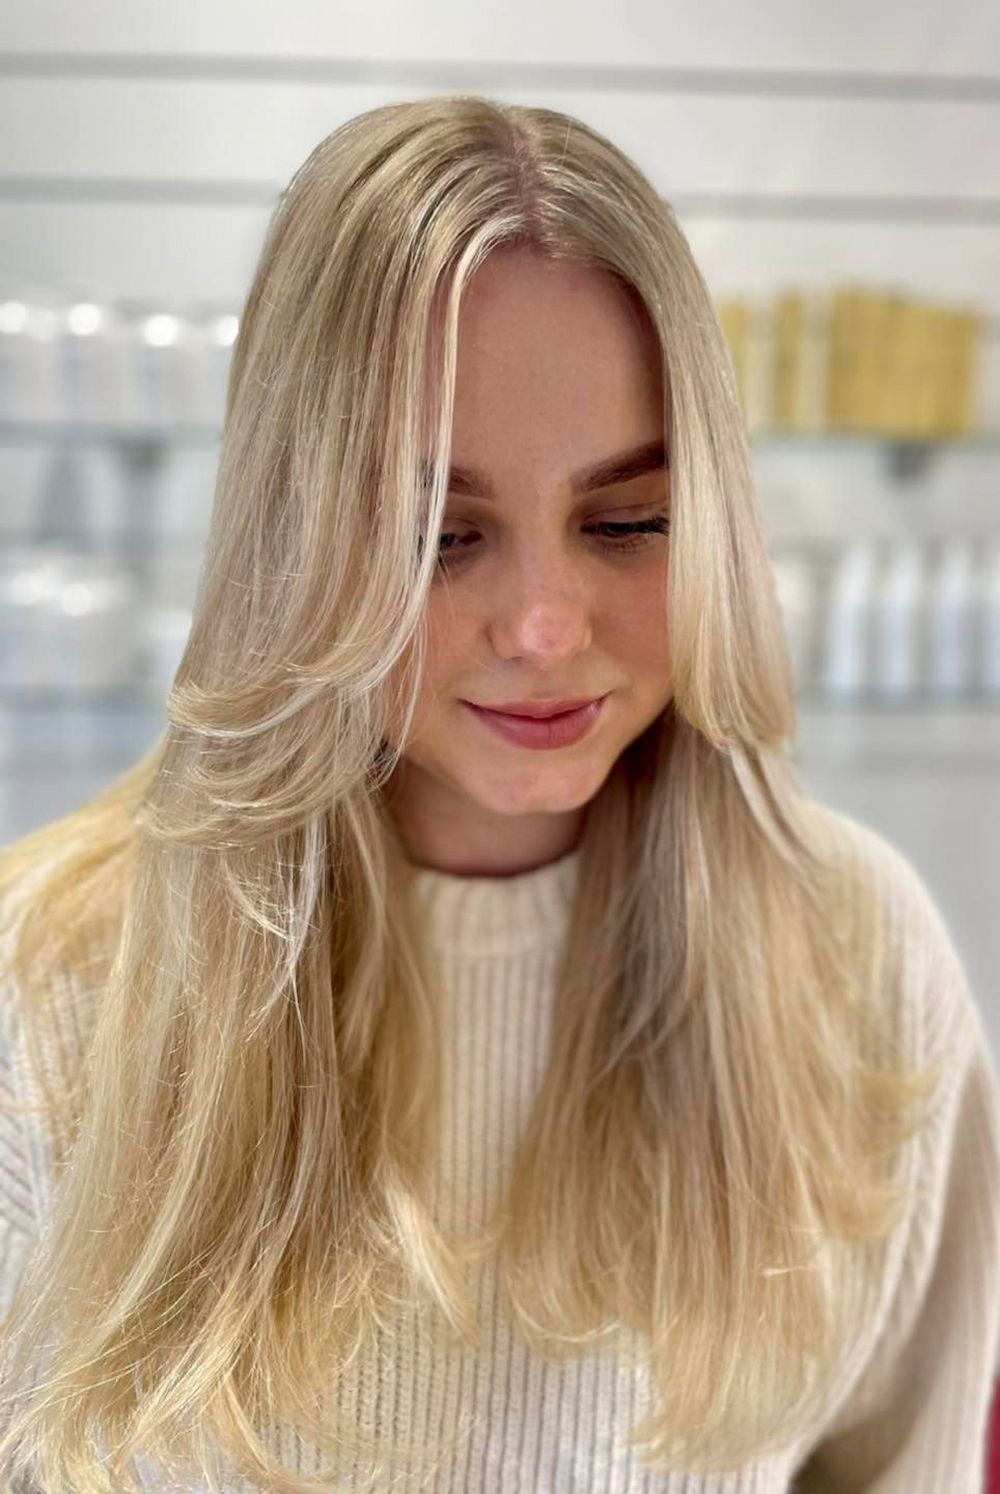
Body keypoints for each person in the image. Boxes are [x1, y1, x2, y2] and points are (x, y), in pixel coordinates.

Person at [0, 95, 997, 1494]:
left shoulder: (861, 958)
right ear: (297, 537)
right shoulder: (48, 985)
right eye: (437, 534)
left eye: (627, 520)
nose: (542, 621)